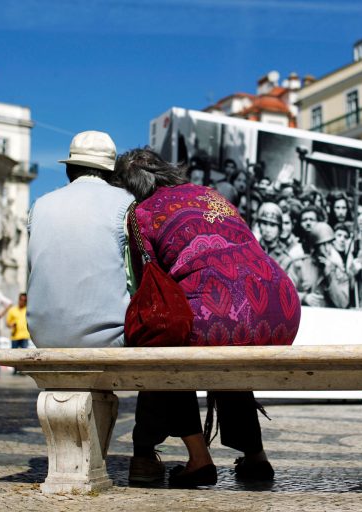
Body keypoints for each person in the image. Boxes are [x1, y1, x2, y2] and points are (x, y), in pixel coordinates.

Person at [111, 148, 301, 488]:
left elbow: (150, 285)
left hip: (225, 312)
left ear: (129, 186)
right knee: (226, 353)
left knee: (166, 346)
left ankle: (198, 459)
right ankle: (255, 456)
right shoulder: (212, 194)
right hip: (282, 305)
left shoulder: (141, 213)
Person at [27, 130, 134, 349]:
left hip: (42, 337)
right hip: (110, 339)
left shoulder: (39, 206)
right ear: (111, 172)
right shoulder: (127, 202)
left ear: (68, 169)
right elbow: (133, 278)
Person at [288, 222, 350, 309]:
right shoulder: (299, 265)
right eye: (323, 244)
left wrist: (329, 274)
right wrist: (304, 298)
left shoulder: (338, 270)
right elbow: (285, 294)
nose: (327, 249)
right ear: (315, 246)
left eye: (329, 244)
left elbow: (343, 303)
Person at [256, 202, 292, 269]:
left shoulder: (285, 258)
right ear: (259, 225)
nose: (267, 229)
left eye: (272, 225)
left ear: (279, 229)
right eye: (264, 223)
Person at [6, 293, 30, 374]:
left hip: (24, 335)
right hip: (15, 335)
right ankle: (15, 370)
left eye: (25, 300)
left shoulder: (28, 310)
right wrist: (11, 325)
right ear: (19, 300)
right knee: (14, 355)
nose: (23, 302)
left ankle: (23, 370)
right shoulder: (12, 310)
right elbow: (7, 323)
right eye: (21, 300)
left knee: (24, 355)